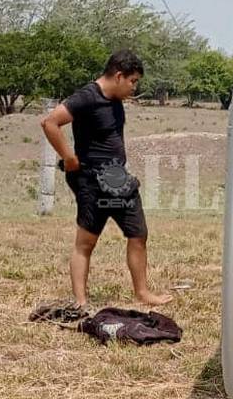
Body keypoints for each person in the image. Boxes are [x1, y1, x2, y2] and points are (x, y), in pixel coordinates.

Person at [40, 49, 174, 309]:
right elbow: (50, 123)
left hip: (119, 180)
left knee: (138, 234)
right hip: (91, 182)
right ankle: (80, 301)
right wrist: (69, 158)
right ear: (119, 75)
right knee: (86, 243)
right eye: (133, 81)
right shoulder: (86, 97)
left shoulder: (115, 99)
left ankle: (142, 292)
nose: (134, 88)